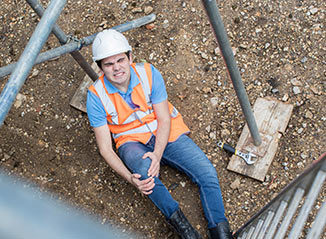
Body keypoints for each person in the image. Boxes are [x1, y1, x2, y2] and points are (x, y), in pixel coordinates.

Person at [86, 29, 233, 239]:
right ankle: (185, 230)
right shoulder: (96, 96)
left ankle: (221, 232)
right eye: (109, 64)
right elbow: (105, 149)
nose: (117, 67)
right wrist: (130, 179)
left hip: (166, 131)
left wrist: (157, 153)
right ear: (100, 67)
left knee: (207, 173)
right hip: (131, 141)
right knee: (146, 178)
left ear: (130, 57)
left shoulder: (148, 73)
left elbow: (164, 119)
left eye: (120, 60)